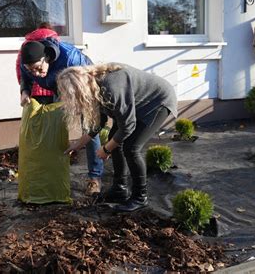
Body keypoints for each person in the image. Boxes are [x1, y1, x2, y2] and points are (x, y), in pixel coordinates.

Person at [57, 63, 177, 212]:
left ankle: (140, 197)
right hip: (137, 104)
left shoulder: (111, 87)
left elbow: (128, 126)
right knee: (115, 138)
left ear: (80, 89)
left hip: (158, 101)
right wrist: (79, 143)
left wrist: (106, 149)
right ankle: (120, 189)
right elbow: (100, 121)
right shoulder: (93, 87)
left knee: (131, 148)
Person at [19, 38, 105, 196]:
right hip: (57, 87)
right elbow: (26, 78)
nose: (36, 74)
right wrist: (25, 91)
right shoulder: (26, 63)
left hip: (83, 85)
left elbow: (88, 79)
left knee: (89, 128)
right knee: (54, 125)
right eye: (32, 71)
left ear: (46, 58)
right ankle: (54, 172)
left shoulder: (70, 58)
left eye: (38, 68)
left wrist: (78, 101)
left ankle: (95, 177)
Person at [15, 23, 57, 105]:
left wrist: (24, 89)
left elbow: (19, 67)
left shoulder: (26, 45)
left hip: (34, 91)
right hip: (53, 91)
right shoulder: (53, 42)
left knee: (36, 115)